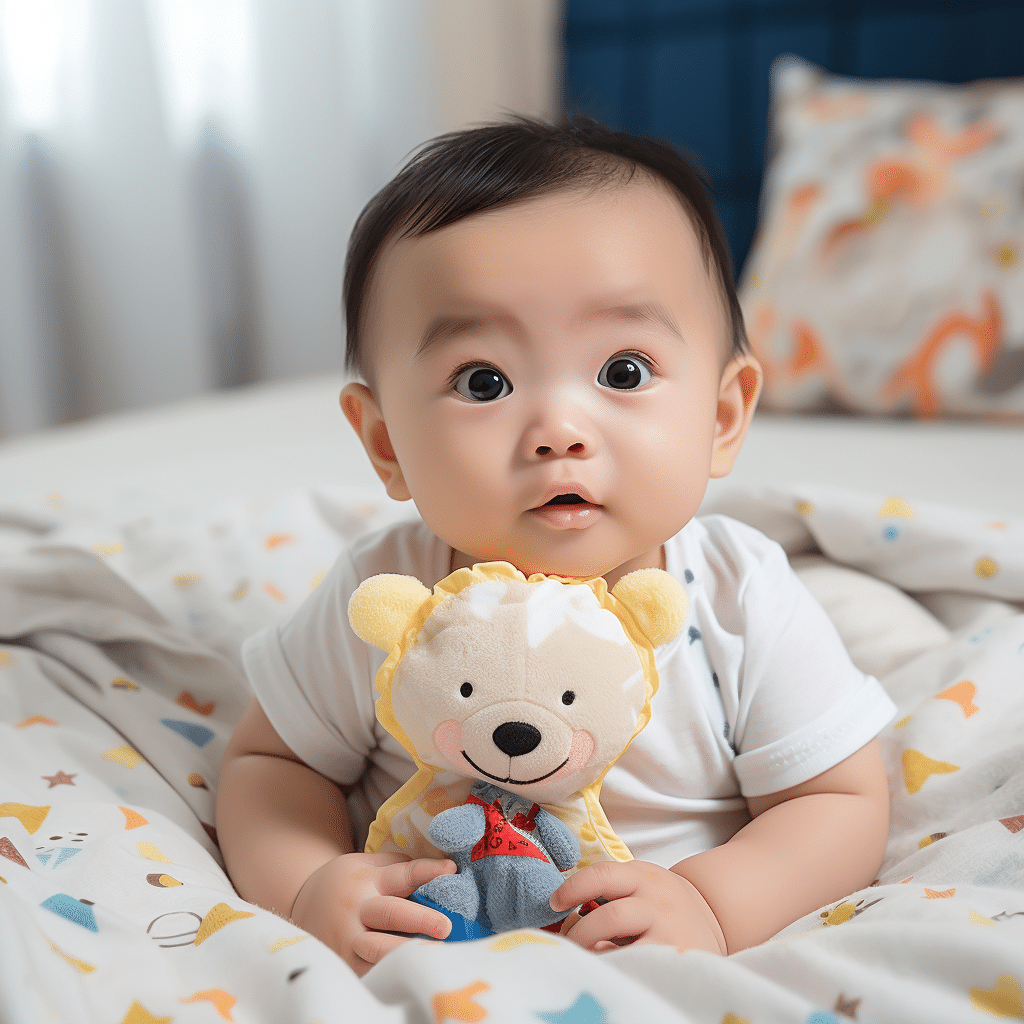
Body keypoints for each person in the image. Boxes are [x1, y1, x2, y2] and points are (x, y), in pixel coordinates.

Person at [216, 113, 896, 976]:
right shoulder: (387, 590)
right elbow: (269, 764)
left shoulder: (738, 594)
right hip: (436, 950)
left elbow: (836, 798)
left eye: (623, 371)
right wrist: (308, 882)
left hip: (651, 966)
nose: (559, 430)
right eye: (483, 381)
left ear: (722, 418)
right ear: (386, 443)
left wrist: (714, 901)